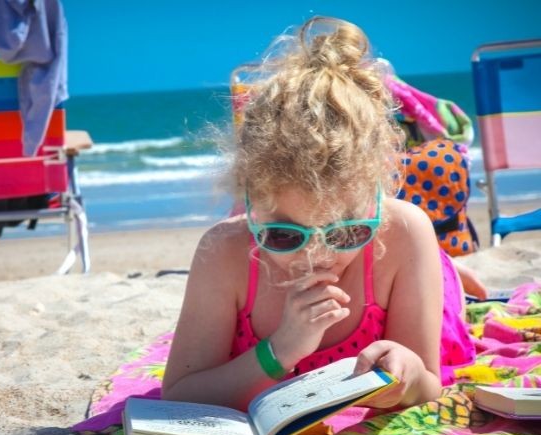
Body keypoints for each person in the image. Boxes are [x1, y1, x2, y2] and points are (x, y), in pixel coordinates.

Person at [161, 16, 475, 411]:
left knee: (450, 295)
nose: (317, 255)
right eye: (284, 235)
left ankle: (449, 273)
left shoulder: (403, 231)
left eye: (347, 233)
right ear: (249, 204)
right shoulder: (224, 249)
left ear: (375, 200)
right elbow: (178, 393)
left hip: (410, 263)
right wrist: (280, 349)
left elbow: (428, 383)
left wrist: (407, 375)